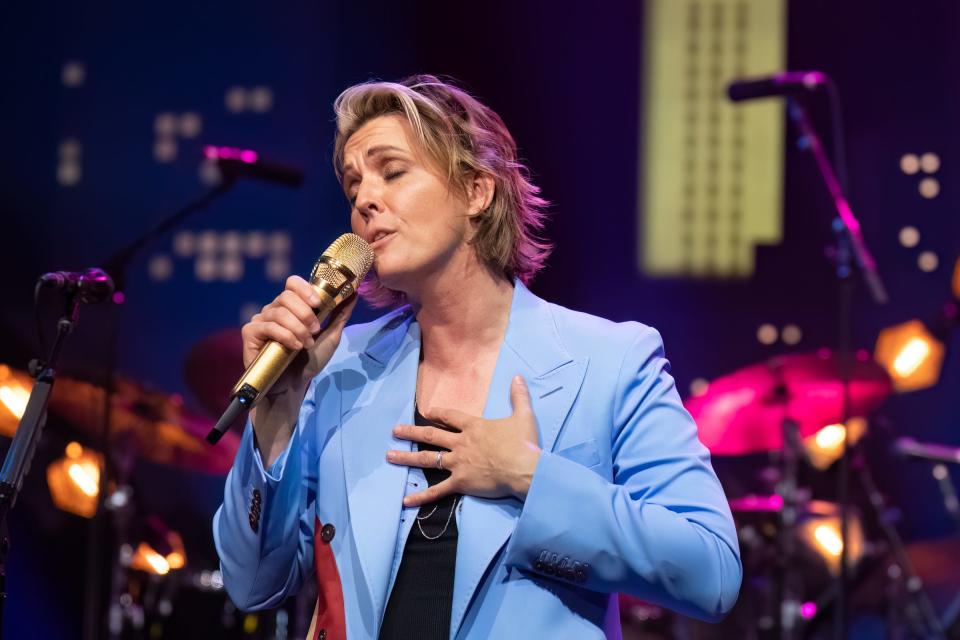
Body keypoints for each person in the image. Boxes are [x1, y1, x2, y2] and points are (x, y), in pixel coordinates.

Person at [213, 74, 741, 640]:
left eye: (392, 172)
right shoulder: (340, 372)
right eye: (353, 188)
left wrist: (530, 478)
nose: (365, 199)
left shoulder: (610, 361)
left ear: (477, 193)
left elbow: (711, 573)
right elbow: (253, 586)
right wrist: (275, 417)